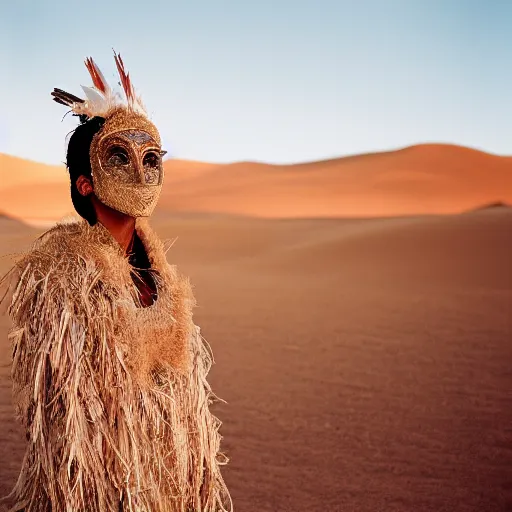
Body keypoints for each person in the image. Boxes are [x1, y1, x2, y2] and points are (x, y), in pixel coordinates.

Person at [0, 53, 232, 512]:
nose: (142, 174)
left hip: (170, 484)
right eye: (119, 158)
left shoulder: (159, 273)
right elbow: (65, 419)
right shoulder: (64, 279)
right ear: (85, 183)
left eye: (152, 159)